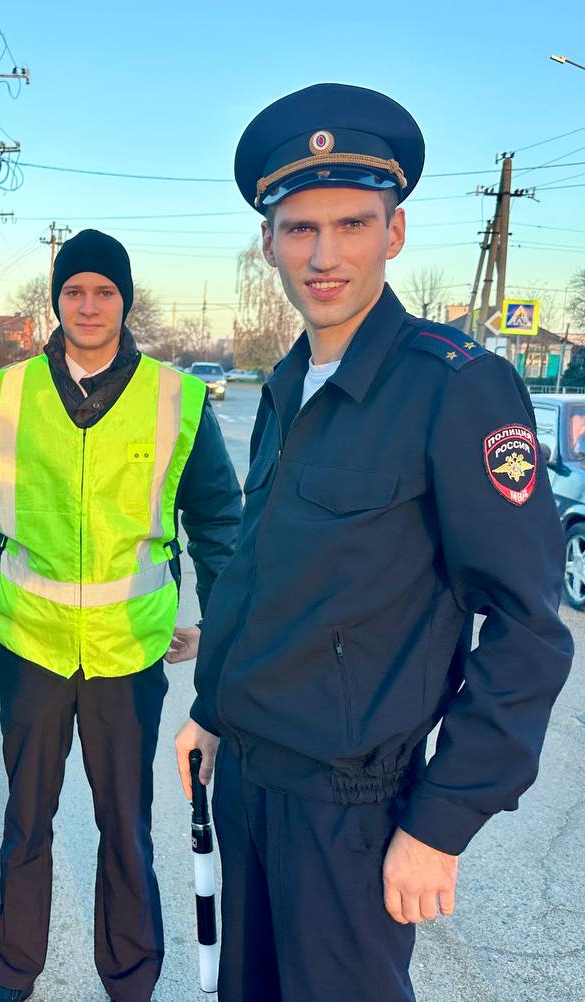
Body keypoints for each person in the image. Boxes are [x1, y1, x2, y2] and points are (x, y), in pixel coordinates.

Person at [175, 83, 574, 1002]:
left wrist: (442, 821)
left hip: (351, 808)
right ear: (268, 241)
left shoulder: (455, 388)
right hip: (251, 779)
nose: (324, 255)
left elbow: (526, 630)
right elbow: (260, 578)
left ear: (394, 233)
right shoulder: (285, 386)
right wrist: (211, 708)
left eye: (352, 224)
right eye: (300, 228)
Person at [0, 229, 243, 1002]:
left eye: (104, 292)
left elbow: (219, 520)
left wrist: (220, 628)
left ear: (125, 301)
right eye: (74, 291)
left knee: (126, 825)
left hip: (129, 649)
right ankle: (11, 975)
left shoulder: (175, 398)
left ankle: (131, 978)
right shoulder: (7, 394)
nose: (88, 305)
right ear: (56, 301)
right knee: (26, 821)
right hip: (33, 646)